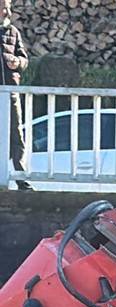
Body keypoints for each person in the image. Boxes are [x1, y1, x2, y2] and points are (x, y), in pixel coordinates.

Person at [0, 0, 30, 189]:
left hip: (10, 93)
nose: (6, 11)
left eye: (7, 7)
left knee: (16, 136)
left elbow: (25, 59)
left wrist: (17, 62)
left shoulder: (13, 32)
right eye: (2, 7)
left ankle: (21, 178)